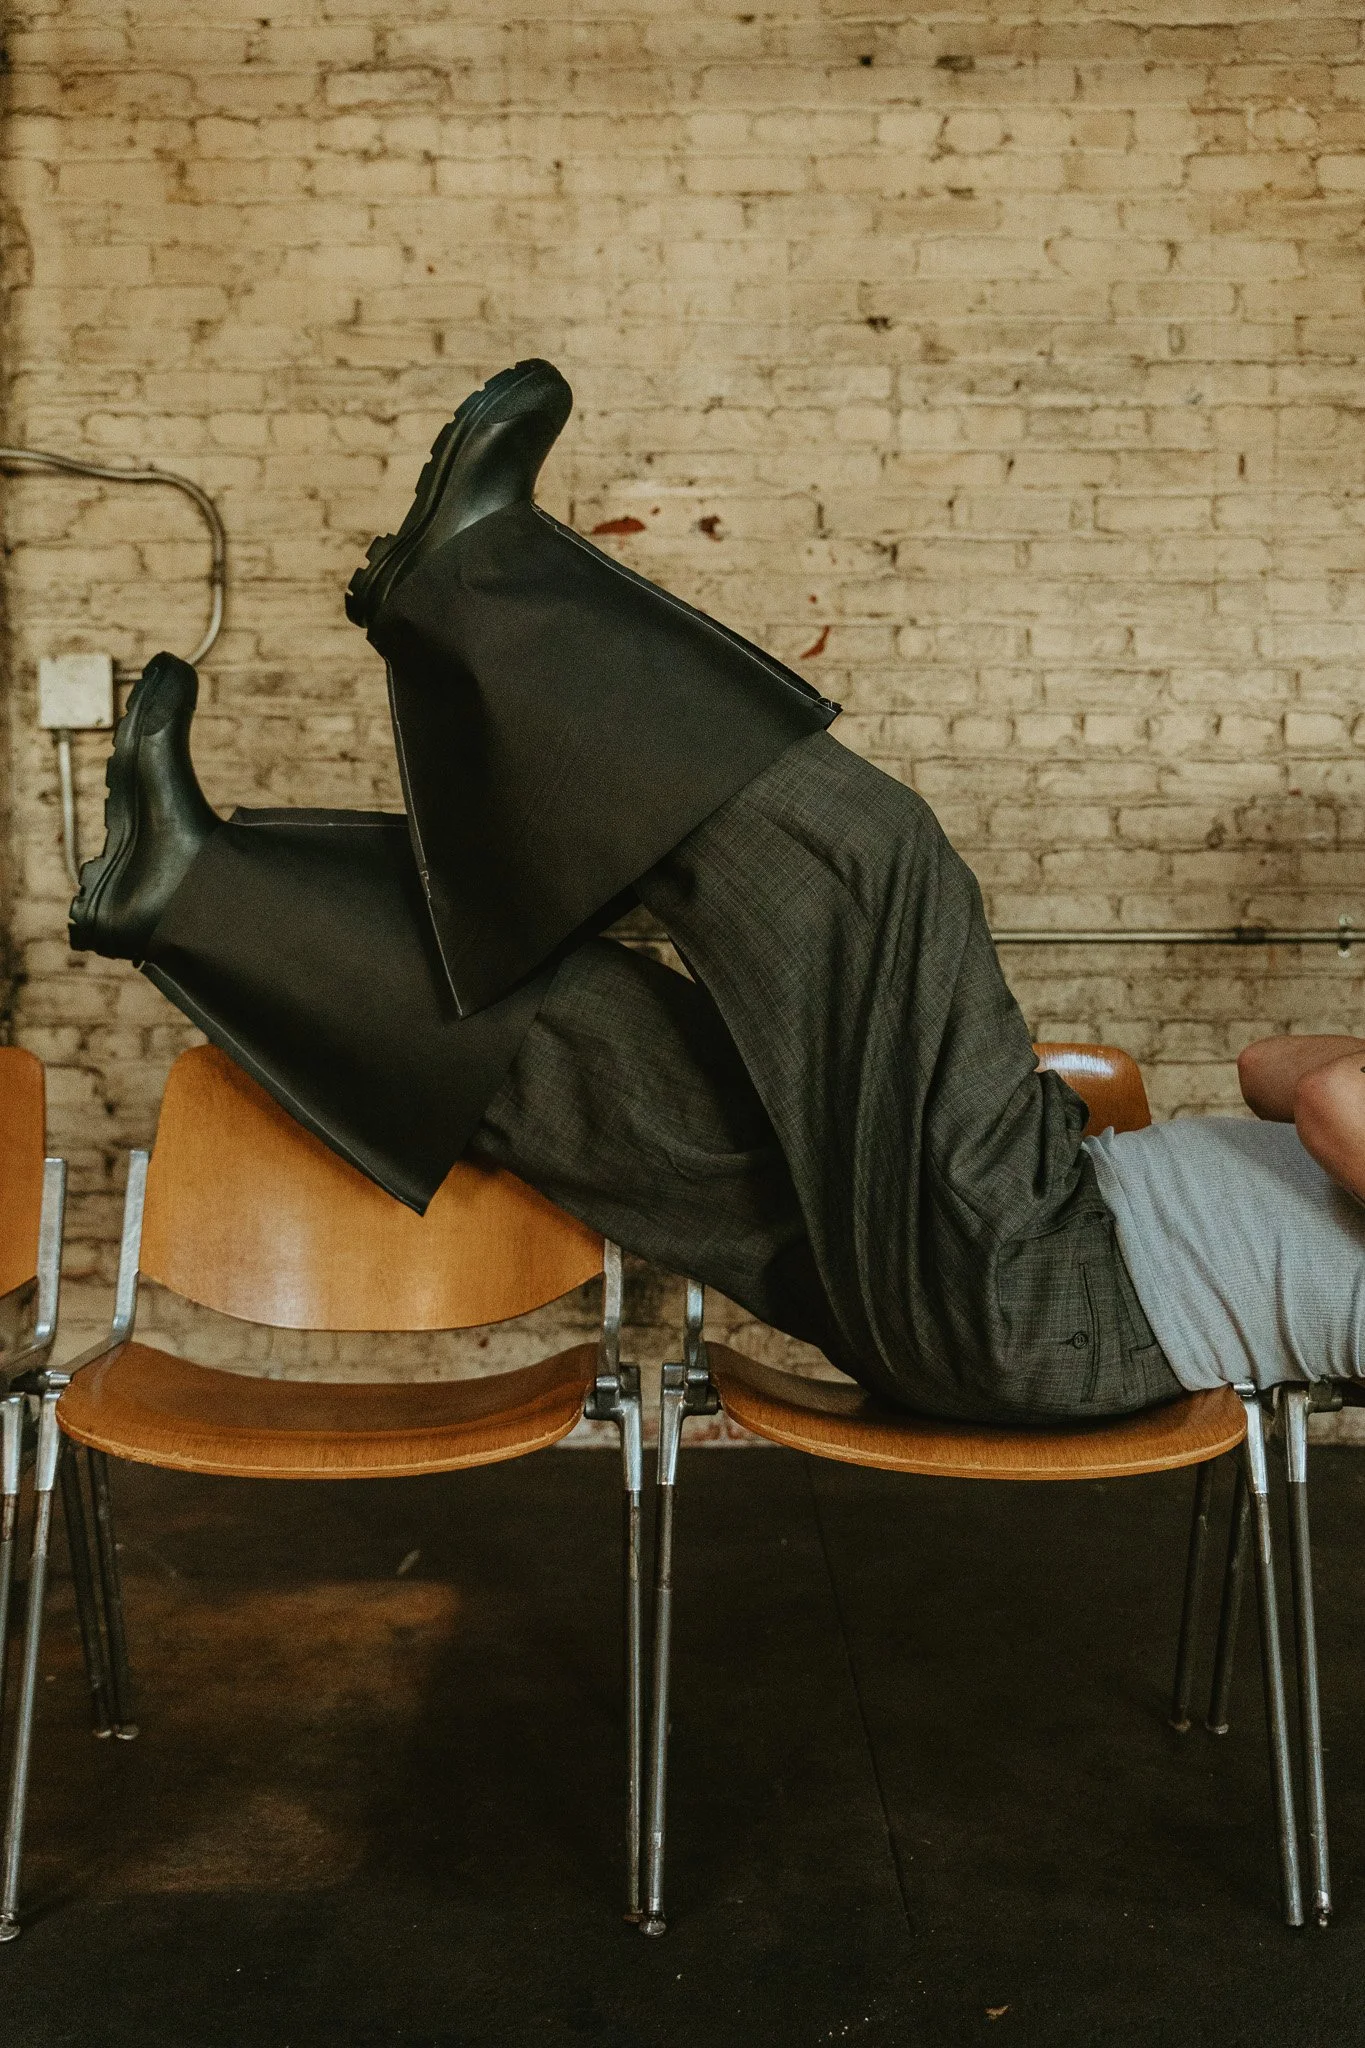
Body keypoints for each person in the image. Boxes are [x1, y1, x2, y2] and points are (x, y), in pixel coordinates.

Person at [67, 361, 1365, 1424]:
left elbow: (1324, 1096)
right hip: (1015, 1281)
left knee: (878, 871)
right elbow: (1269, 1066)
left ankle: (476, 587)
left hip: (1061, 1279)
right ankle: (182, 890)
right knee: (590, 1038)